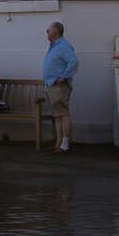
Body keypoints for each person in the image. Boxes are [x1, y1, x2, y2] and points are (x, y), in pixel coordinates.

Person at [42, 21, 77, 152]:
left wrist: (64, 76)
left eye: (49, 29)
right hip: (51, 85)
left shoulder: (63, 45)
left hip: (59, 86)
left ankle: (65, 143)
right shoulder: (54, 46)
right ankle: (58, 143)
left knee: (62, 114)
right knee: (57, 115)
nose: (47, 31)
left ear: (56, 31)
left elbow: (73, 62)